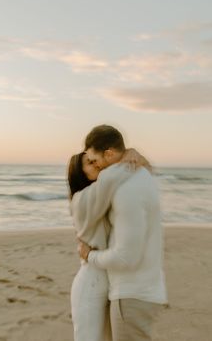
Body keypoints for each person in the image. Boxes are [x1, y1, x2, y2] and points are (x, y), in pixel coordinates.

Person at [78, 125, 168, 341]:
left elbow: (126, 257)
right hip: (143, 291)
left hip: (132, 296)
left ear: (109, 153)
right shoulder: (139, 175)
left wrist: (90, 255)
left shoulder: (127, 189)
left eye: (94, 159)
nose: (94, 166)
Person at [68, 148, 151, 341]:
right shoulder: (83, 199)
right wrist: (128, 155)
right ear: (81, 175)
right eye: (89, 163)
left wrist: (134, 155)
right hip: (91, 282)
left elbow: (143, 170)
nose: (96, 163)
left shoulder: (106, 195)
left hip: (112, 279)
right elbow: (125, 171)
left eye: (94, 159)